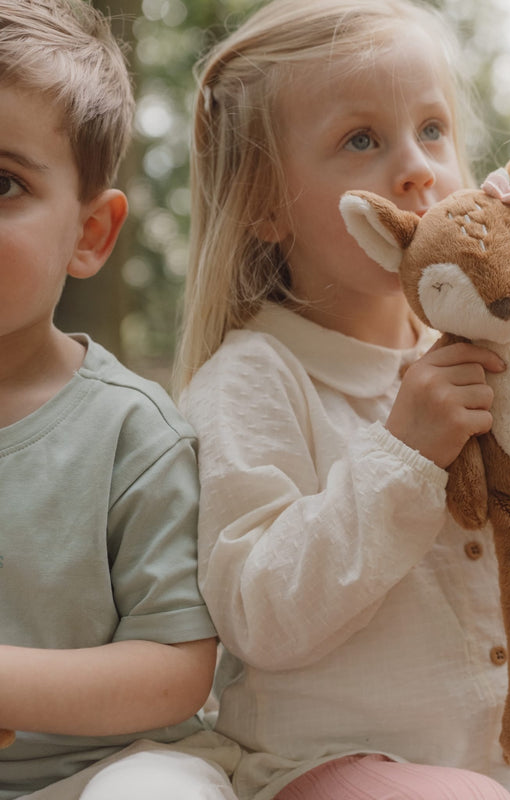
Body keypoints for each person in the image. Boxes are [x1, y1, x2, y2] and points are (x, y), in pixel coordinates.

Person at [175, 1, 510, 798]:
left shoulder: (491, 352)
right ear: (266, 203)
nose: (417, 168)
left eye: (432, 130)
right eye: (360, 139)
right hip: (326, 762)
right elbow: (259, 615)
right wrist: (403, 454)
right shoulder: (251, 380)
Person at [0, 1, 240, 797]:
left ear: (90, 234)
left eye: (3, 182)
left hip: (108, 770)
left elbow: (176, 671)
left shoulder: (134, 434)